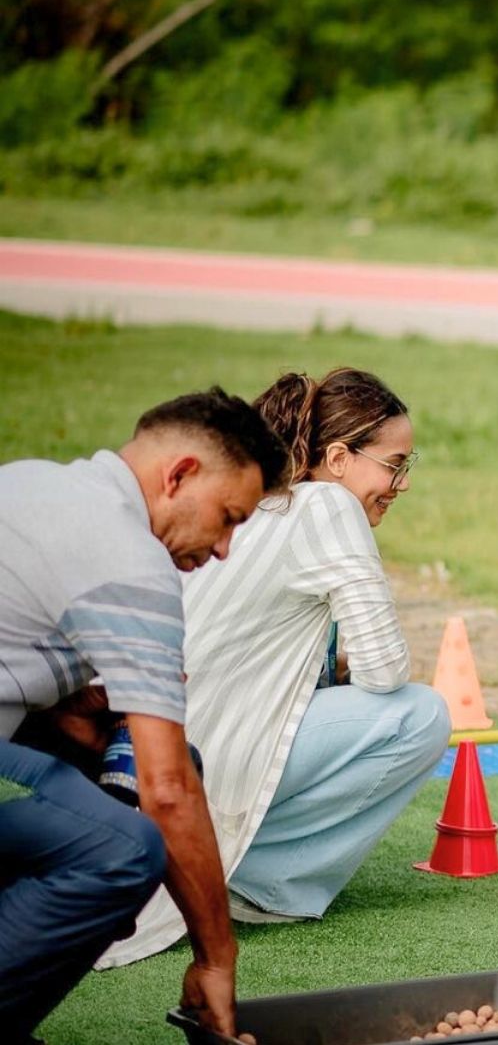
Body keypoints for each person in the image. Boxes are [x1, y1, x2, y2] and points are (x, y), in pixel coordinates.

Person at [100, 368, 450, 967]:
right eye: (395, 463)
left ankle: (236, 869)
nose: (403, 483)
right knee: (420, 715)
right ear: (338, 458)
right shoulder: (328, 507)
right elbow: (385, 671)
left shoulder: (262, 501)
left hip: (143, 761)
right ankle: (259, 883)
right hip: (198, 761)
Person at [0, 388, 287, 1040]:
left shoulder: (32, 482)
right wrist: (217, 957)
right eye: (228, 517)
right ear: (180, 474)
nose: (223, 550)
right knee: (122, 849)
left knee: (125, 758)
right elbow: (167, 794)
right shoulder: (130, 559)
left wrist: (83, 706)